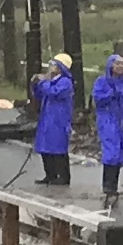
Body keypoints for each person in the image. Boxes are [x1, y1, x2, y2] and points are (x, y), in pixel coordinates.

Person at [90, 50, 123, 205]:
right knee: (111, 153)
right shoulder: (102, 82)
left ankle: (112, 186)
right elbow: (98, 100)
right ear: (110, 65)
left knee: (121, 154)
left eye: (122, 64)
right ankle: (109, 187)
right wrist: (111, 94)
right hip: (108, 121)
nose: (120, 67)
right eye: (117, 64)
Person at [29, 54, 76, 185]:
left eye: (54, 65)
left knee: (58, 148)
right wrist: (35, 84)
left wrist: (43, 81)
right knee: (45, 147)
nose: (51, 67)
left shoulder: (65, 82)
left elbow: (53, 92)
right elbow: (39, 95)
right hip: (47, 117)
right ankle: (50, 174)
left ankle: (63, 176)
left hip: (59, 119)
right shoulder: (51, 81)